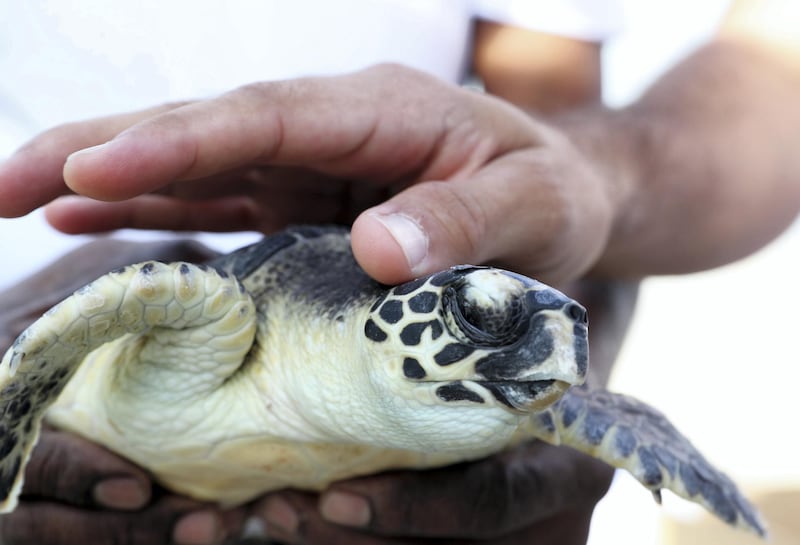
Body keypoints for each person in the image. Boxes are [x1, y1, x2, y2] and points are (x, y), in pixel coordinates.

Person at [0, 1, 799, 544]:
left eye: (565, 338)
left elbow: (554, 147)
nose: (558, 358)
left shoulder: (519, 373)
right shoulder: (208, 314)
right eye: (490, 319)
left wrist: (588, 235)